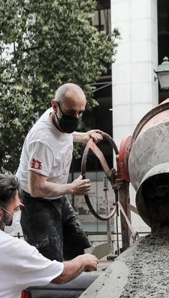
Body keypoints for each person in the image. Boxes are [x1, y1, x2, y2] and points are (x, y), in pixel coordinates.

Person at [14, 83, 103, 261]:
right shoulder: (42, 141)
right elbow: (36, 188)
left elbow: (63, 135)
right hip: (35, 202)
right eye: (71, 113)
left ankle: (79, 285)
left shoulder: (57, 115)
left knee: (80, 248)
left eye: (81, 112)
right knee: (50, 262)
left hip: (55, 195)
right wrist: (72, 188)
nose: (76, 117)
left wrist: (83, 136)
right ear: (55, 105)